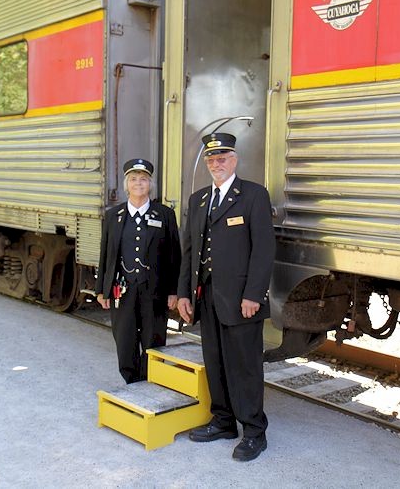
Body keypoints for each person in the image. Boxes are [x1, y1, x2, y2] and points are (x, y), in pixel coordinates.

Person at [177, 132, 275, 462]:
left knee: (245, 368)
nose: (216, 164)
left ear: (234, 160)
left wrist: (254, 295)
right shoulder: (199, 199)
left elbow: (263, 250)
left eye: (223, 158)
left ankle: (254, 431)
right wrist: (183, 295)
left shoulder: (253, 196)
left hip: (241, 302)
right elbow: (189, 252)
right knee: (216, 363)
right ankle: (222, 421)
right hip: (207, 298)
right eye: (211, 159)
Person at [96, 159, 181, 384]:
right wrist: (101, 290)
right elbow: (105, 254)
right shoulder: (114, 215)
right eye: (133, 179)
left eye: (143, 179)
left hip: (155, 291)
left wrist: (174, 291)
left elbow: (174, 256)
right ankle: (131, 383)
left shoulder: (164, 214)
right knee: (125, 339)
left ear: (150, 184)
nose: (138, 183)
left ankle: (150, 382)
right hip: (122, 290)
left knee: (153, 339)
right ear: (127, 184)